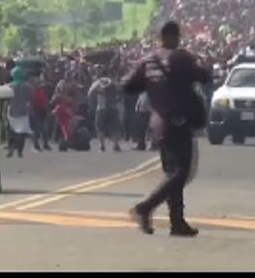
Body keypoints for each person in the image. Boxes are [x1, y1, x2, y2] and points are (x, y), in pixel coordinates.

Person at [123, 21, 212, 237]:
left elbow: (127, 85)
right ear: (173, 37)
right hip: (179, 121)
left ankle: (177, 222)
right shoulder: (180, 58)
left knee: (173, 174)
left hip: (158, 123)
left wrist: (154, 86)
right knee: (181, 173)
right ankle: (145, 208)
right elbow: (205, 76)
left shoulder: (149, 60)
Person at [88, 66, 123, 152]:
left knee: (100, 127)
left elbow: (90, 93)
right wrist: (117, 99)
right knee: (114, 126)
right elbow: (120, 90)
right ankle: (115, 145)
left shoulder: (98, 82)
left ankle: (102, 146)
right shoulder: (113, 81)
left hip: (101, 107)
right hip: (112, 107)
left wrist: (93, 103)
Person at [5, 67, 32, 158]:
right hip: (23, 111)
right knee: (21, 133)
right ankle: (20, 151)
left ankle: (10, 149)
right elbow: (30, 98)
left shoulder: (8, 86)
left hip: (11, 111)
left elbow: (5, 101)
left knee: (11, 132)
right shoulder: (27, 86)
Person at [30, 73, 50, 152]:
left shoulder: (42, 90)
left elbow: (45, 101)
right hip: (36, 110)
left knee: (45, 128)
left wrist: (47, 109)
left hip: (42, 110)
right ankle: (36, 144)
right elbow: (32, 101)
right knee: (37, 129)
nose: (39, 84)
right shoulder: (33, 92)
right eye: (37, 83)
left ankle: (45, 144)